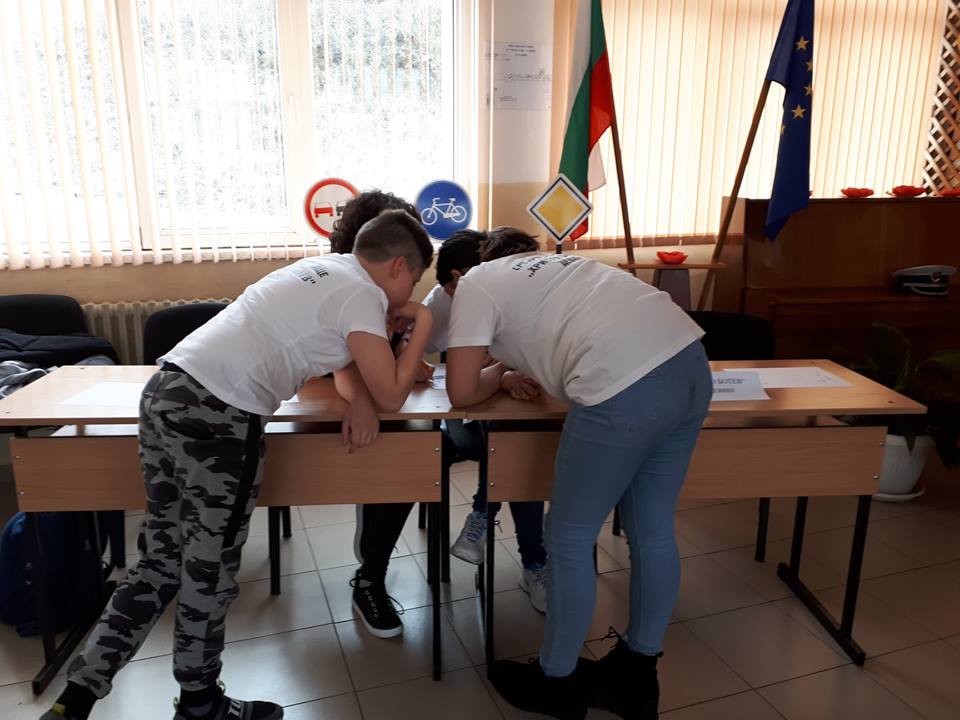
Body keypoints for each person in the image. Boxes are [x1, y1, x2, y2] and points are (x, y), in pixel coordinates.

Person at [41, 209, 434, 720]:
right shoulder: (363, 294)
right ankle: (200, 705)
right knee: (208, 571)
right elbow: (394, 395)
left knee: (160, 562)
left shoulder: (321, 270)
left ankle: (75, 699)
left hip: (166, 392)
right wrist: (423, 323)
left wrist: (358, 397)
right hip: (218, 417)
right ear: (399, 266)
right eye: (414, 283)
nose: (407, 296)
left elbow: (341, 361)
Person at [445, 228, 710, 720]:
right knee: (652, 529)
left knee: (568, 537)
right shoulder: (556, 266)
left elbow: (460, 392)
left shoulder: (474, 283)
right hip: (690, 362)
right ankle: (637, 676)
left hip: (623, 384)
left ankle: (557, 680)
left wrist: (494, 374)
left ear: (458, 276)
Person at [431, 231, 549, 611]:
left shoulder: (538, 299)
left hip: (518, 409)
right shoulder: (468, 298)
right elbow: (467, 373)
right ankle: (534, 562)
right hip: (475, 414)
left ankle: (482, 516)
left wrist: (510, 372)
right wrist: (505, 374)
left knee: (519, 446)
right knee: (515, 449)